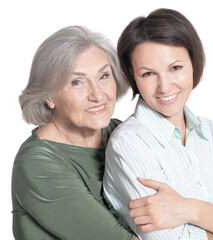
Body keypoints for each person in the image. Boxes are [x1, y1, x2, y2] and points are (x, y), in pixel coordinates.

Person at [103, 8, 213, 240]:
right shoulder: (129, 144)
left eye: (175, 68)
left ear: (193, 63)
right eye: (148, 74)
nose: (164, 87)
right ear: (132, 75)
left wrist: (187, 208)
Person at [11, 25, 138, 240]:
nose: (98, 95)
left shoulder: (122, 132)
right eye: (77, 82)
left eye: (104, 76)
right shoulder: (37, 164)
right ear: (48, 95)